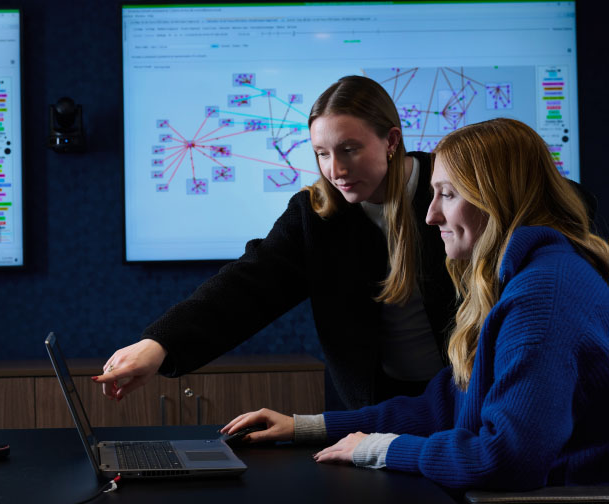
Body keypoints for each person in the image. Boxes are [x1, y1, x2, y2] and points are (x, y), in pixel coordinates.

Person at [221, 118, 609, 490]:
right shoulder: (531, 277)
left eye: (449, 194)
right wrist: (305, 427)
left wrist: (380, 449)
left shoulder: (543, 296)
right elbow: (440, 408)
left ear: (497, 199)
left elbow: (505, 458)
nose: (430, 215)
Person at [94, 75, 457, 409]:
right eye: (322, 153)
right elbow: (247, 286)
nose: (335, 170)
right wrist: (158, 345)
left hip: (468, 395)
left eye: (349, 149)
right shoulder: (315, 214)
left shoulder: (452, 188)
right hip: (375, 406)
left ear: (391, 140)